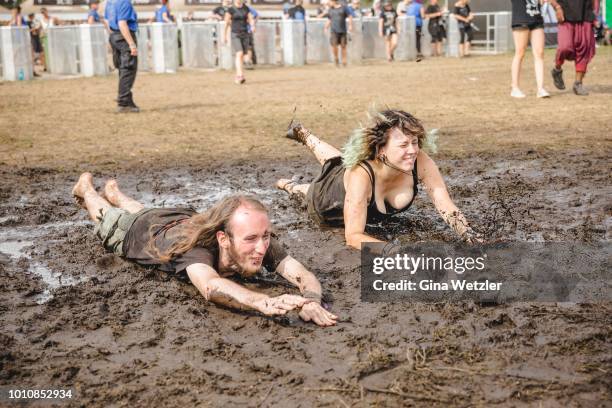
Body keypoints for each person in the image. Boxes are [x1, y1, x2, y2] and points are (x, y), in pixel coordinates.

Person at [71, 173, 337, 327]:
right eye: (252, 239)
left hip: (174, 217)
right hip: (133, 233)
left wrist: (311, 300)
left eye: (265, 236)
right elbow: (211, 286)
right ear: (223, 239)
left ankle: (116, 194)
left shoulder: (255, 237)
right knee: (107, 216)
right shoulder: (197, 249)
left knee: (146, 212)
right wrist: (264, 302)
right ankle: (88, 189)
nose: (261, 247)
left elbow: (301, 273)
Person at [276, 110, 482, 250]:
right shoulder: (361, 176)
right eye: (403, 145)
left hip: (349, 176)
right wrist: (394, 252)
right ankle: (290, 184)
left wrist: (470, 236)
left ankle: (304, 134)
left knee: (337, 160)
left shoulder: (420, 161)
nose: (412, 150)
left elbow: (446, 205)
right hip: (327, 200)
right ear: (381, 149)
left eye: (415, 142)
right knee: (312, 188)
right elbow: (353, 236)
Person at [548, 0, 599, 96]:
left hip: (586, 15)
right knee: (564, 47)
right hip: (565, 15)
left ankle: (578, 84)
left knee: (584, 48)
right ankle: (557, 69)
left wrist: (595, 15)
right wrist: (557, 7)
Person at [104, 0, 140, 113]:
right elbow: (122, 23)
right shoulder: (124, 2)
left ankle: (127, 100)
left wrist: (113, 36)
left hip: (114, 35)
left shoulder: (110, 2)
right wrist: (131, 44)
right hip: (124, 36)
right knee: (128, 69)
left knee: (123, 69)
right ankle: (123, 102)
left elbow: (106, 21)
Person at [510, 0, 550, 98]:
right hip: (521, 18)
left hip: (536, 18)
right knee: (520, 53)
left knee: (539, 53)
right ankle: (515, 88)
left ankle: (540, 89)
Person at [224, 0, 256, 84]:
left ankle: (239, 74)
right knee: (239, 53)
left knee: (243, 55)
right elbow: (226, 23)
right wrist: (224, 36)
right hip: (235, 34)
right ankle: (240, 75)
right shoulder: (230, 9)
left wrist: (252, 26)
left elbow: (251, 18)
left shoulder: (246, 8)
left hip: (245, 34)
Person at [324, 0, 353, 67]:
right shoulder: (330, 10)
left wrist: (350, 25)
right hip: (334, 31)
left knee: (343, 46)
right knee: (334, 46)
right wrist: (326, 27)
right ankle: (336, 58)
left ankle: (344, 60)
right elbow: (329, 19)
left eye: (330, 2)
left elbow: (350, 16)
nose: (329, 3)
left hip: (343, 30)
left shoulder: (343, 8)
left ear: (334, 1)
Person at [245, 3, 259, 68]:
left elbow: (256, 15)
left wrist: (253, 24)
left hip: (248, 30)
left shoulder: (248, 8)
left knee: (249, 47)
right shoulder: (233, 8)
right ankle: (247, 61)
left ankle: (249, 61)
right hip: (238, 31)